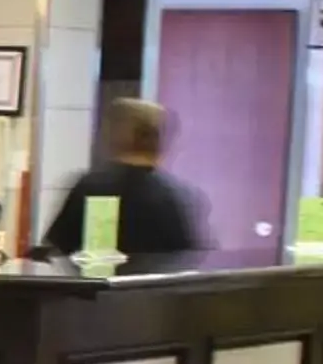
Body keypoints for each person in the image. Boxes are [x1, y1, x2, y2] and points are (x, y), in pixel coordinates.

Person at [41, 97, 207, 256]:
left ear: (117, 134)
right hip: (154, 286)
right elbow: (192, 260)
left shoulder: (92, 188)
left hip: (99, 284)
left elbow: (56, 252)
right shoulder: (179, 196)